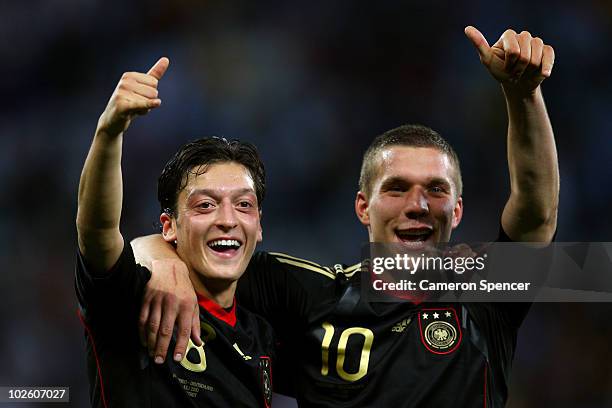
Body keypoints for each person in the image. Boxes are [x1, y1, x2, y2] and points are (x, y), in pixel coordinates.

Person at [132, 26, 558, 407]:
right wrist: (160, 256)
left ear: (457, 210)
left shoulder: (483, 295)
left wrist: (523, 96)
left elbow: (537, 216)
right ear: (362, 207)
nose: (418, 205)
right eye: (396, 188)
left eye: (436, 189)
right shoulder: (307, 294)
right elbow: (199, 247)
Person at [75, 57, 275, 407]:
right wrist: (109, 133)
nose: (227, 219)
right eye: (205, 206)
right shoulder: (134, 299)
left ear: (259, 226)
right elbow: (97, 230)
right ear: (169, 227)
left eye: (243, 205)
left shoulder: (267, 327)